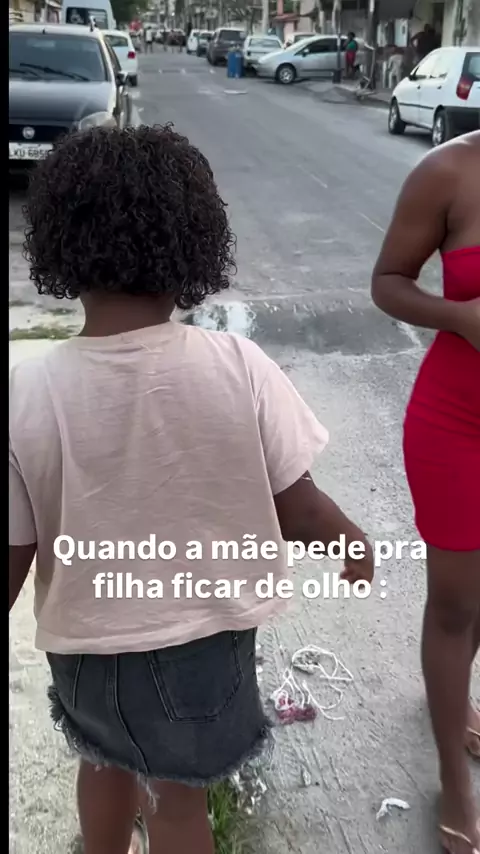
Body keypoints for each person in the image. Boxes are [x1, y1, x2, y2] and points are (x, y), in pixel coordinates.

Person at [9, 124, 374, 854]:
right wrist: (352, 543)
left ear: (60, 248)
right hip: (203, 641)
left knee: (99, 760)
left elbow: (16, 549)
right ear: (193, 245)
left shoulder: (27, 387)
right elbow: (297, 504)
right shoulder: (238, 364)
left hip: (86, 644)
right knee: (178, 804)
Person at [371, 132, 480, 854]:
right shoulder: (449, 170)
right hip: (457, 424)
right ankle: (453, 777)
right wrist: (463, 317)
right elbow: (388, 281)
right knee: (455, 603)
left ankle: (457, 702)